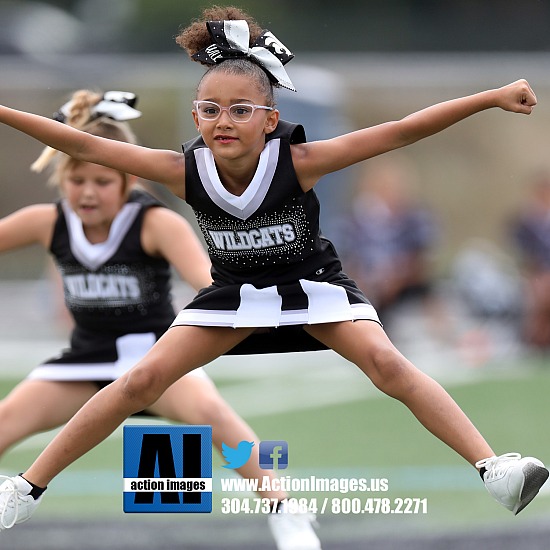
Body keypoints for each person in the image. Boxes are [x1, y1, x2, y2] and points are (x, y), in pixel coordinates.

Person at [0, 5, 548, 535]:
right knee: (140, 380)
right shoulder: (181, 171)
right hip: (235, 296)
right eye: (210, 109)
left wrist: (491, 98)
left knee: (388, 365)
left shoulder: (299, 162)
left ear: (271, 118)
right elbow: (76, 142)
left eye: (241, 109)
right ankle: (26, 490)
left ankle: (492, 468)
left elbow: (401, 130)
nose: (224, 121)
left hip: (313, 287)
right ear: (195, 116)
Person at [0, 88, 321, 549]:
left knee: (213, 416)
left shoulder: (154, 223)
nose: (88, 192)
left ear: (129, 180)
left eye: (103, 180)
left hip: (154, 362)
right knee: (6, 418)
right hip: (86, 360)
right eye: (77, 180)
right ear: (60, 178)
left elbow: (211, 283)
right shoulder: (45, 221)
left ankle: (284, 509)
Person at [334, 156, 439, 325]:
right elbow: (344, 260)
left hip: (407, 291)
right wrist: (364, 282)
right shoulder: (353, 221)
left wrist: (395, 279)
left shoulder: (416, 219)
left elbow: (423, 260)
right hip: (363, 290)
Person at [510, 168, 550, 349]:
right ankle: (536, 340)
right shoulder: (526, 223)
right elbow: (524, 256)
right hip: (536, 274)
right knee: (541, 289)